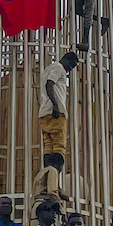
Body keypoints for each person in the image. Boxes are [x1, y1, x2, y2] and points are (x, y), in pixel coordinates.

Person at [34, 52, 79, 200]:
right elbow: (50, 84)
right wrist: (55, 105)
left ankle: (47, 185)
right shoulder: (58, 67)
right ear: (67, 60)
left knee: (48, 149)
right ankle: (54, 187)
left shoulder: (49, 68)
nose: (69, 70)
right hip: (56, 113)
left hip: (44, 114)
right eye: (71, 66)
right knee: (59, 150)